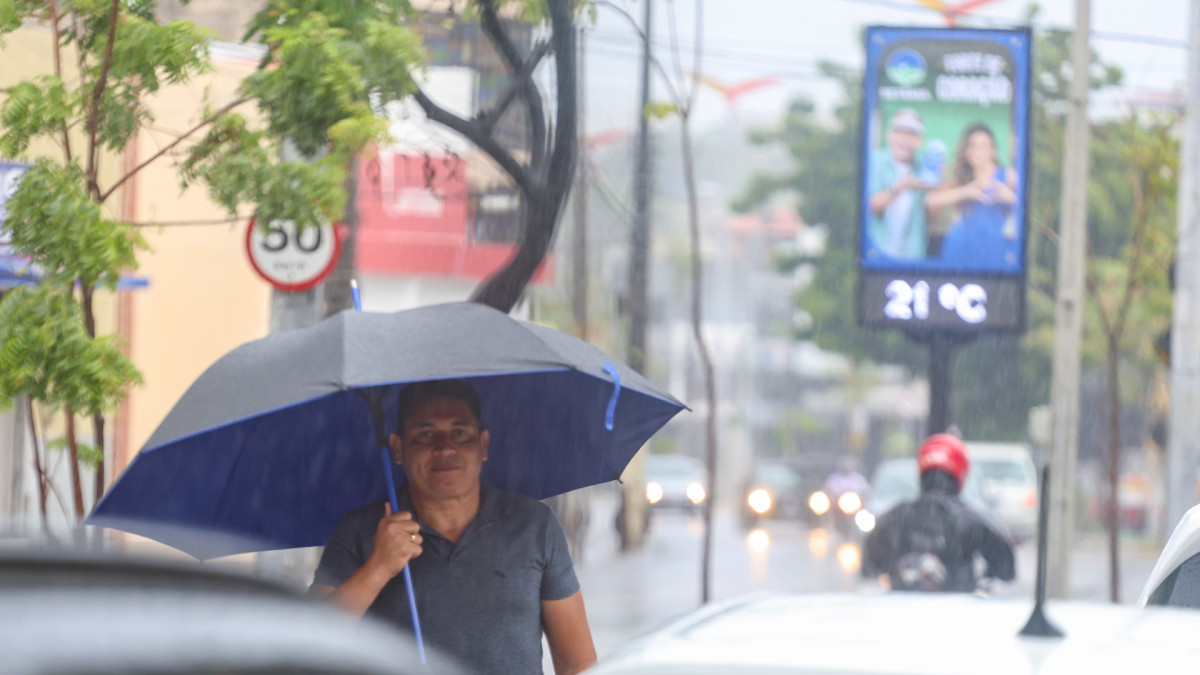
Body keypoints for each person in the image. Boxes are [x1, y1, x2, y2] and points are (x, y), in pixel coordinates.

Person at [309, 379, 597, 674]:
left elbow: (577, 663)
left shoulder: (534, 525)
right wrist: (378, 568)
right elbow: (307, 643)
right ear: (397, 447)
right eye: (425, 434)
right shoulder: (360, 530)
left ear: (483, 445)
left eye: (460, 433)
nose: (444, 448)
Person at [862, 433, 1015, 592]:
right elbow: (1006, 569)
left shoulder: (894, 518)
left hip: (902, 605)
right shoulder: (974, 521)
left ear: (921, 470)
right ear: (962, 473)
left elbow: (868, 566)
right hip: (959, 605)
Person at [925, 123, 1020, 269]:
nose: (978, 151)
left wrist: (1008, 196)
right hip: (961, 246)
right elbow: (931, 202)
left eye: (984, 145)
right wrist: (966, 191)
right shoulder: (960, 177)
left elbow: (1029, 208)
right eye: (972, 145)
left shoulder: (1008, 176)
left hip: (997, 247)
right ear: (966, 151)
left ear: (993, 150)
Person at [866, 108, 937, 260]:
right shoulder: (874, 161)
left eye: (911, 133)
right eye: (898, 131)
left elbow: (934, 214)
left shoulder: (925, 168)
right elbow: (871, 206)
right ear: (889, 135)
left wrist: (937, 184)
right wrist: (902, 186)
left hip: (911, 258)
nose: (903, 139)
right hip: (878, 256)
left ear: (919, 140)